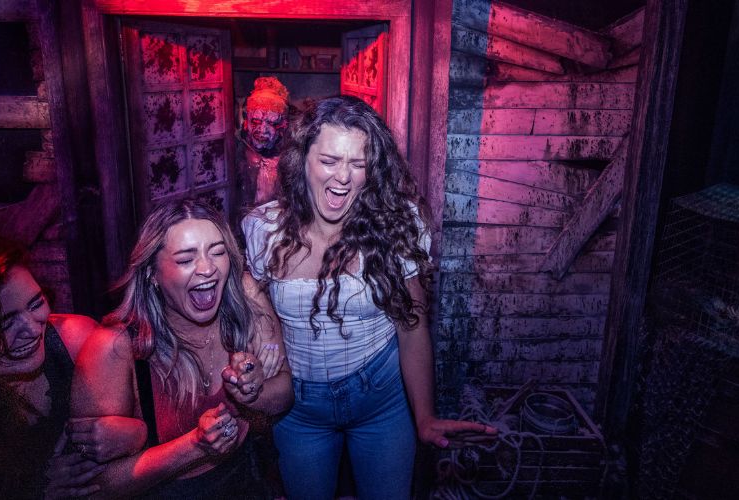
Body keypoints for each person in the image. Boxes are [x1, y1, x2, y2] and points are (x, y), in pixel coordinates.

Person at [241, 95, 499, 499]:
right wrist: (267, 333)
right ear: (301, 161)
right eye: (329, 160)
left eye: (357, 164)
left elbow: (412, 326)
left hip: (381, 400)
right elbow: (249, 287)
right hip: (300, 409)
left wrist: (426, 417)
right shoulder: (265, 229)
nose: (342, 177)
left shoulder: (396, 227)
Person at [71, 198, 292, 498]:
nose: (207, 269)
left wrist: (254, 395)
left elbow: (285, 394)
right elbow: (96, 486)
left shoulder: (245, 302)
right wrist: (195, 446)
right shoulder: (114, 347)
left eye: (217, 252)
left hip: (248, 480)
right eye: (186, 259)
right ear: (152, 273)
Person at [0, 236, 145, 499]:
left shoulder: (77, 341)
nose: (32, 329)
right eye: (5, 323)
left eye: (35, 303)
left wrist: (139, 436)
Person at [236, 76, 290, 211]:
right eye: (255, 121)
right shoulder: (239, 155)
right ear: (247, 122)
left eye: (271, 123)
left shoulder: (288, 160)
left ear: (283, 126)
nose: (262, 130)